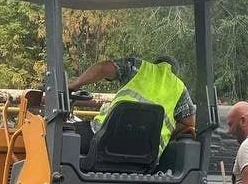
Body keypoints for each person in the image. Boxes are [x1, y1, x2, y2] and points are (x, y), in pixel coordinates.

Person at [67, 55, 196, 150]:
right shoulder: (180, 88)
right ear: (175, 73)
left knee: (61, 136)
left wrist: (72, 86)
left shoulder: (138, 67)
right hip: (146, 153)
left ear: (155, 64)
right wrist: (163, 135)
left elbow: (102, 68)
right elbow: (188, 124)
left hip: (102, 140)